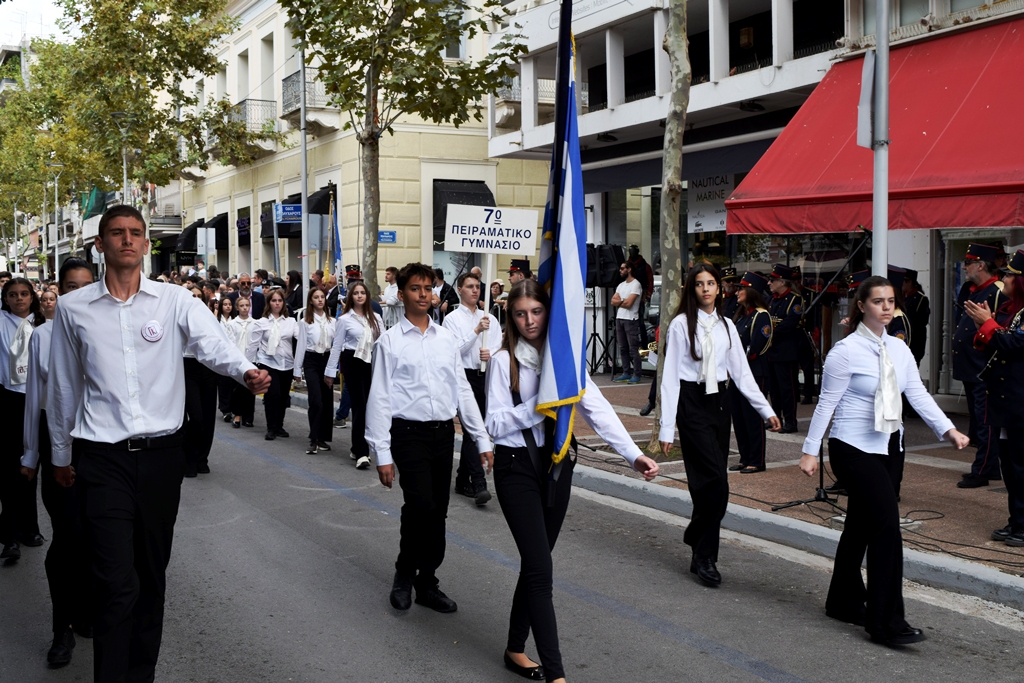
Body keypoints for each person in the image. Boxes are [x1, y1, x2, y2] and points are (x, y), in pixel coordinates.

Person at [46, 206, 270, 683]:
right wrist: (60, 455)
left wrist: (245, 372)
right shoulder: (73, 308)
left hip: (162, 460)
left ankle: (139, 675)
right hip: (101, 459)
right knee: (113, 581)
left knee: (150, 577)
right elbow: (63, 386)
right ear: (100, 244)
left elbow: (212, 344)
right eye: (116, 233)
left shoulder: (174, 302)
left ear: (146, 245)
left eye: (135, 234)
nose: (127, 240)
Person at [486, 279, 660, 683]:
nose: (529, 320)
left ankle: (515, 648)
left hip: (557, 465)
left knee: (536, 565)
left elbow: (597, 410)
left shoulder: (563, 361)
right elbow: (494, 424)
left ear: (549, 312)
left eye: (537, 311)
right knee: (541, 571)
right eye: (520, 313)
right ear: (510, 318)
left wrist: (633, 456)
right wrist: (541, 404)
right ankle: (557, 675)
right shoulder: (502, 361)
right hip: (515, 468)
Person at [800, 275, 969, 646]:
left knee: (860, 525)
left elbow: (918, 395)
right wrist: (810, 450)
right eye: (879, 301)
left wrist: (947, 430)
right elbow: (826, 403)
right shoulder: (844, 352)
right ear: (862, 306)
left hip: (892, 447)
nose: (887, 307)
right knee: (886, 528)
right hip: (853, 447)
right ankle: (886, 622)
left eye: (891, 300)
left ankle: (842, 600)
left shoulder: (900, 349)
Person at [366, 262, 492, 614]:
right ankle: (405, 573)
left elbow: (462, 390)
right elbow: (380, 397)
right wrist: (382, 453)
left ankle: (427, 581)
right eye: (415, 289)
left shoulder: (446, 339)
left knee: (438, 513)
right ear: (402, 294)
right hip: (407, 435)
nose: (423, 295)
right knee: (420, 506)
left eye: (428, 288)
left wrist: (481, 439)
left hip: (441, 435)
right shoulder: (389, 342)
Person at [659, 263, 781, 586]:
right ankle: (704, 554)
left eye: (711, 283)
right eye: (699, 284)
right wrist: (665, 427)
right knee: (712, 481)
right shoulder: (680, 326)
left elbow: (742, 373)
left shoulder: (728, 325)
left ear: (719, 288)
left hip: (720, 403)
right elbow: (669, 377)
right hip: (691, 402)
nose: (706, 289)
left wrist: (766, 410)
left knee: (711, 485)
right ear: (691, 289)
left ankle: (701, 549)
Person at [20, 259, 95, 667]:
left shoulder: (110, 333)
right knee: (67, 539)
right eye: (70, 286)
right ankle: (61, 629)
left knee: (97, 538)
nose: (78, 294)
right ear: (59, 293)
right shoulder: (43, 337)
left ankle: (86, 614)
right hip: (58, 448)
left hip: (102, 449)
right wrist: (31, 454)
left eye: (86, 286)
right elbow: (36, 398)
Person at [966, 249, 1024, 547]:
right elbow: (997, 341)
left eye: (1012, 274)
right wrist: (984, 327)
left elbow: (1015, 344)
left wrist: (987, 324)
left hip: (1019, 402)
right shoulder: (1014, 309)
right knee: (1009, 467)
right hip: (1005, 400)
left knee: (1021, 467)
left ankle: (1023, 525)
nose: (1007, 279)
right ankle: (1017, 521)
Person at [443, 272, 501, 506]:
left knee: (478, 428)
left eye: (477, 286)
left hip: (486, 376)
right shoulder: (452, 319)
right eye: (470, 287)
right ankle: (479, 484)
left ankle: (461, 479)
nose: (475, 290)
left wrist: (492, 353)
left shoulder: (491, 319)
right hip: (464, 376)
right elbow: (453, 350)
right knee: (472, 429)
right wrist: (475, 331)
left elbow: (499, 346)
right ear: (460, 290)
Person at [0, 277, 48, 562]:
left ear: (32, 297)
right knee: (8, 467)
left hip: (39, 400)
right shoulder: (1, 323)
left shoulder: (43, 326)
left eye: (24, 294)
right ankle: (10, 536)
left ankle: (29, 527)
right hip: (8, 399)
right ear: (5, 299)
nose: (19, 299)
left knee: (32, 466)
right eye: (13, 295)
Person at [953, 243, 1005, 488]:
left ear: (981, 265)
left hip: (983, 367)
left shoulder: (996, 291)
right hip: (971, 366)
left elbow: (999, 330)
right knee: (978, 420)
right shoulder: (974, 290)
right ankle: (989, 466)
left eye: (968, 263)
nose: (964, 268)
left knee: (985, 424)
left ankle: (982, 470)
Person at [326, 281, 384, 469]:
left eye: (362, 293)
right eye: (356, 293)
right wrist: (330, 371)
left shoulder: (375, 317)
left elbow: (384, 343)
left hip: (371, 362)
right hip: (352, 360)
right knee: (359, 404)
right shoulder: (344, 319)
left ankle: (356, 445)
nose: (359, 296)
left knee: (370, 405)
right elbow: (337, 346)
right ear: (351, 297)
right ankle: (362, 452)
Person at [727, 272, 774, 474]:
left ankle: (757, 459)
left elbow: (756, 347)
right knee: (738, 417)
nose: (737, 292)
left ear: (752, 291)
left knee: (752, 417)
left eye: (742, 288)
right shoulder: (742, 316)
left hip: (754, 373)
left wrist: (738, 359)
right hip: (736, 374)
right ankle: (745, 457)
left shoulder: (761, 315)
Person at [250, 287, 298, 441]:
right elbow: (253, 346)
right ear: (269, 303)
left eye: (279, 301)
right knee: (273, 395)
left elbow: (301, 338)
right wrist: (250, 367)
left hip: (287, 363)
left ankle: (279, 425)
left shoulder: (291, 322)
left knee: (283, 396)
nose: (277, 304)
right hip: (268, 362)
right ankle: (271, 427)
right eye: (274, 301)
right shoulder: (261, 323)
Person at [182, 288, 221, 477]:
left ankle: (202, 458)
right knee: (195, 416)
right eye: (192, 296)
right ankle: (189, 457)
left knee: (207, 417)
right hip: (187, 367)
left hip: (208, 368)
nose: (196, 299)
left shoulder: (210, 319)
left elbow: (220, 344)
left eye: (199, 296)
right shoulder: (178, 318)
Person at [294, 287, 335, 455]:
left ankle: (323, 437)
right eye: (316, 297)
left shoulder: (333, 322)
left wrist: (334, 368)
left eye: (322, 297)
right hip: (311, 360)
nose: (320, 300)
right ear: (311, 301)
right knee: (316, 400)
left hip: (327, 359)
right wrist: (297, 369)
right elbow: (301, 345)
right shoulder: (305, 322)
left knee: (326, 400)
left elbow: (337, 345)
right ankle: (313, 438)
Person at [766, 264, 803, 433]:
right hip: (771, 351)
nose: (769, 283)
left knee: (787, 389)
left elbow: (789, 323)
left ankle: (790, 421)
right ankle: (776, 419)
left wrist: (771, 335)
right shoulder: (771, 299)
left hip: (785, 351)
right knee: (774, 389)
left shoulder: (795, 300)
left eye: (773, 280)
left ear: (782, 282)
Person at [227, 296, 258, 429]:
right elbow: (230, 341)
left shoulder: (255, 323)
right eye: (242, 305)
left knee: (251, 387)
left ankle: (249, 417)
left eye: (247, 305)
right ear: (237, 308)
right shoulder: (232, 324)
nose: (245, 308)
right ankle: (237, 414)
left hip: (252, 359)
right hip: (238, 358)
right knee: (238, 387)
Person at [611, 261, 643, 384]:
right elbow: (612, 301)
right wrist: (623, 301)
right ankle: (626, 372)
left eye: (622, 268)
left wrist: (620, 301)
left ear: (629, 269)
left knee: (633, 348)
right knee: (623, 347)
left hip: (631, 319)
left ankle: (637, 374)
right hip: (620, 318)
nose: (620, 270)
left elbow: (630, 304)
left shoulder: (636, 285)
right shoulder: (621, 285)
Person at [902, 268, 930, 367]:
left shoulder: (920, 299)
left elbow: (921, 322)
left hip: (914, 342)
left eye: (903, 282)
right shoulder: (903, 297)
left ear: (909, 282)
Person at [216, 296, 236, 422]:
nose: (228, 306)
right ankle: (225, 409)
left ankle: (234, 407)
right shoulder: (217, 321)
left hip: (234, 353)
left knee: (233, 383)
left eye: (229, 304)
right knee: (223, 383)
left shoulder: (236, 320)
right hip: (222, 355)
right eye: (225, 304)